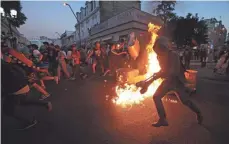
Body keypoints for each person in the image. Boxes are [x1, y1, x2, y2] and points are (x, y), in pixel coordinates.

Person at [136, 36, 203, 127]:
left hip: (177, 82)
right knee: (156, 96)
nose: (158, 54)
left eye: (159, 51)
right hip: (168, 81)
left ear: (164, 48)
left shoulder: (173, 55)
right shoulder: (159, 56)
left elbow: (173, 72)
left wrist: (157, 76)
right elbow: (162, 70)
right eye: (156, 51)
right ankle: (163, 119)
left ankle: (199, 113)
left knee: (185, 101)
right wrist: (147, 83)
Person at [1, 49, 52, 130]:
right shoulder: (12, 63)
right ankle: (44, 103)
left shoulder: (5, 65)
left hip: (17, 88)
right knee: (23, 101)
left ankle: (30, 121)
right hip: (22, 86)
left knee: (8, 111)